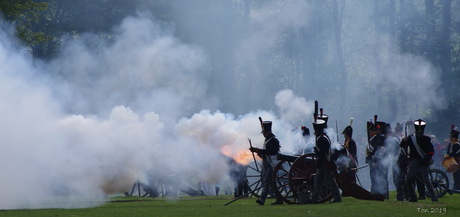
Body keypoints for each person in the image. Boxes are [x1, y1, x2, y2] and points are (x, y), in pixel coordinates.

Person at [249, 119, 283, 205]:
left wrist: (258, 150)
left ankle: (262, 199)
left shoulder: (274, 140)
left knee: (267, 181)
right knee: (271, 183)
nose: (263, 134)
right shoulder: (267, 140)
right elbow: (265, 153)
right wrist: (258, 152)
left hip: (272, 164)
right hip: (266, 163)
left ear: (268, 132)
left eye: (264, 132)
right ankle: (279, 199)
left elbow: (272, 152)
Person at [403, 119, 438, 202]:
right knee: (408, 180)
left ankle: (434, 197)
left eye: (420, 131)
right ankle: (412, 197)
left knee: (426, 181)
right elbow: (403, 145)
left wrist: (424, 160)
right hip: (413, 163)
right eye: (418, 131)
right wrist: (404, 140)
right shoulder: (411, 138)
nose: (419, 133)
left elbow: (431, 152)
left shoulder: (426, 139)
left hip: (423, 164)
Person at [309, 118, 341, 203]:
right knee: (317, 180)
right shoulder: (322, 137)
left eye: (315, 130)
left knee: (330, 181)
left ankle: (337, 198)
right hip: (322, 163)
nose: (314, 132)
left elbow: (323, 151)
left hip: (325, 162)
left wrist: (317, 152)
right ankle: (314, 198)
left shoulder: (322, 139)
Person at [366, 118, 389, 199]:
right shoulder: (375, 138)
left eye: (376, 129)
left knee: (381, 178)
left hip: (379, 161)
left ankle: (383, 194)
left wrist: (375, 161)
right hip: (374, 160)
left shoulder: (380, 138)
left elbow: (379, 151)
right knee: (374, 178)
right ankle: (375, 193)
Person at [444, 125, 460, 191]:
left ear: (454, 137)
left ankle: (457, 187)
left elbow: (453, 153)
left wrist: (447, 156)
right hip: (453, 160)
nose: (450, 137)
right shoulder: (451, 143)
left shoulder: (457, 144)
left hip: (457, 160)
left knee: (457, 174)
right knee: (454, 174)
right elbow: (449, 151)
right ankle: (455, 186)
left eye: (451, 136)